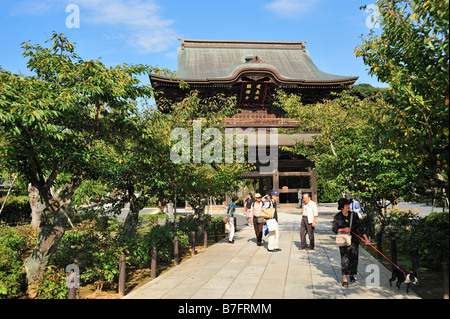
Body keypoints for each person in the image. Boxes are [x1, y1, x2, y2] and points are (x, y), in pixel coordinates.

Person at [332, 198, 370, 287]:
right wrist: (343, 229)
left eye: (349, 204)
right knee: (345, 259)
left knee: (353, 258)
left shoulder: (354, 215)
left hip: (354, 240)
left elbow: (360, 228)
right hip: (343, 240)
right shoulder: (338, 217)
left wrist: (366, 239)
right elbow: (334, 229)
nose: (348, 206)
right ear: (342, 207)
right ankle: (344, 277)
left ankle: (351, 274)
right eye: (346, 205)